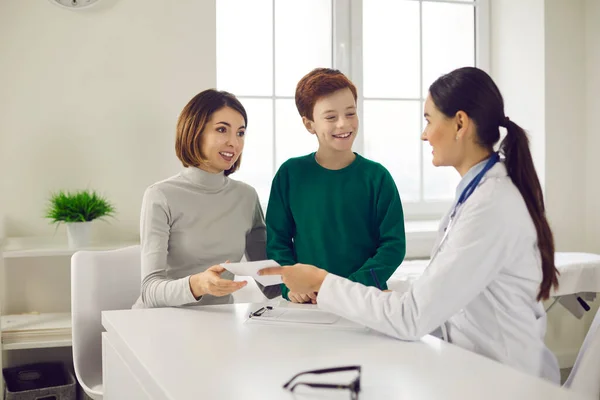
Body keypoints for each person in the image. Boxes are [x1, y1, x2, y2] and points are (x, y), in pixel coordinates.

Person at [260, 67, 561, 383]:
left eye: (429, 120)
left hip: (503, 377)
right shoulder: (480, 195)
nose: (423, 133)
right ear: (309, 123)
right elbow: (437, 304)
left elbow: (411, 313)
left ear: (459, 123)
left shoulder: (490, 206)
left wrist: (324, 283)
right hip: (477, 362)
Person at [266, 68, 406, 304]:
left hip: (364, 300)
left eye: (350, 113)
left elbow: (393, 246)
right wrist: (290, 286)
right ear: (309, 124)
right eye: (330, 117)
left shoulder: (377, 177)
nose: (343, 124)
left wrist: (346, 289)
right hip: (306, 303)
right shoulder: (290, 174)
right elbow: (277, 243)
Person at [133, 89, 280, 309]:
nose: (234, 142)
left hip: (218, 324)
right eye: (222, 130)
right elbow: (150, 291)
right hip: (159, 323)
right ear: (195, 132)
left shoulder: (246, 197)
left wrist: (316, 282)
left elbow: (269, 283)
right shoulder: (161, 196)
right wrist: (198, 285)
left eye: (240, 133)